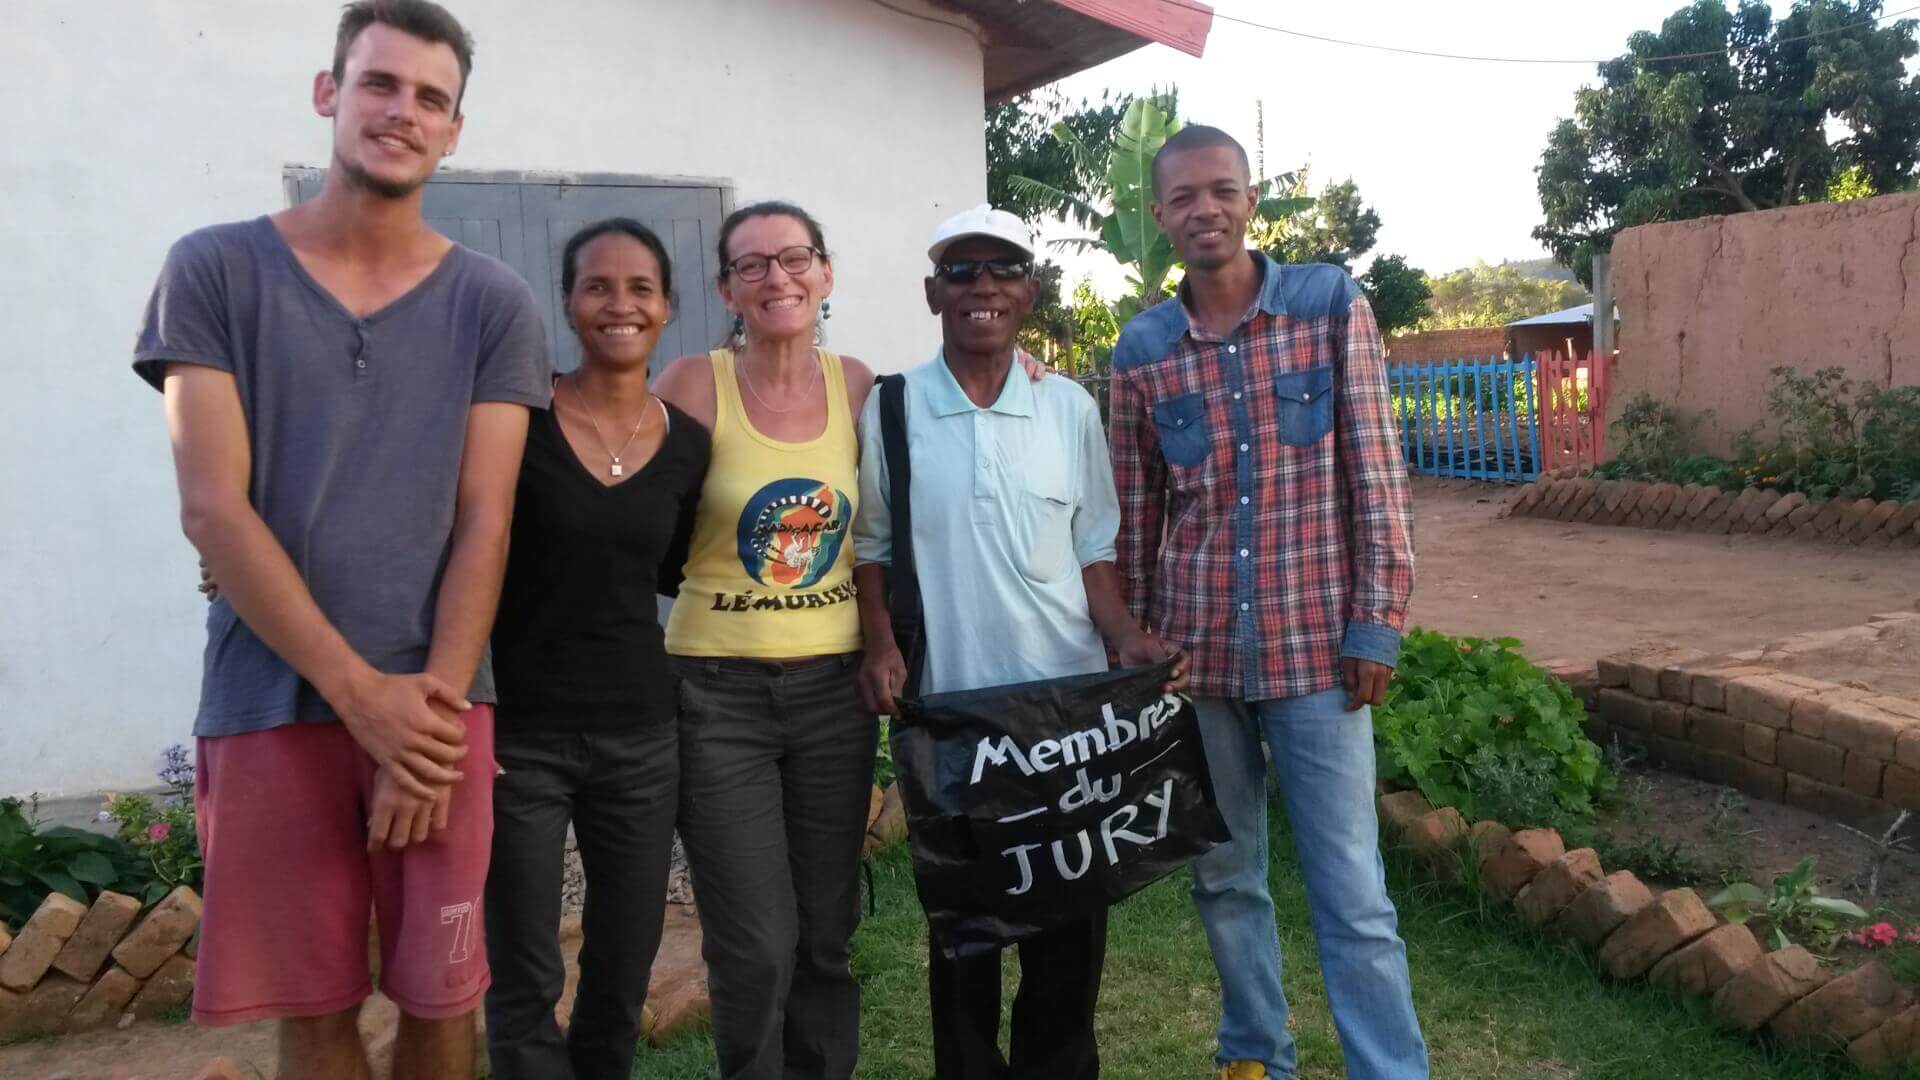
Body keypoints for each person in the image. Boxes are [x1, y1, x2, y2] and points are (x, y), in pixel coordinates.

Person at [133, 3, 550, 1077]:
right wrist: (367, 701)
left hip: (442, 710)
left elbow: (486, 519)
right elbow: (212, 509)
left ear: (455, 130)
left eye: (430, 98)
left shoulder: (493, 304)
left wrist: (428, 720)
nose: (400, 112)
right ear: (329, 93)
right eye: (379, 84)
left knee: (441, 1002)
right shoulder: (213, 271)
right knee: (312, 1009)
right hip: (270, 703)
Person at [1107, 125, 1428, 1080]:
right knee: (1224, 877)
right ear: (1160, 217)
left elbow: (1376, 476)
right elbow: (1134, 513)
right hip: (1196, 662)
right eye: (1182, 198)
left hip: (1317, 656)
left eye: (1221, 190)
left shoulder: (1328, 306)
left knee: (1352, 891)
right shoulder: (1143, 348)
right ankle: (1256, 1055)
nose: (1203, 209)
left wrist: (1379, 621)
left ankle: (1388, 1069)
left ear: (1251, 201)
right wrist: (1137, 639)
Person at [851, 205, 1189, 1080]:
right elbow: (873, 548)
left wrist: (1125, 638)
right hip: (952, 715)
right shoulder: (891, 410)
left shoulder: (1068, 406)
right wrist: (878, 643)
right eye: (961, 271)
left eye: (1002, 269)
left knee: (1067, 932)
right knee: (964, 935)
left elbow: (1094, 549)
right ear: (933, 293)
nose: (982, 286)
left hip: (1066, 715)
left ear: (1029, 292)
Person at [649, 202, 878, 1080]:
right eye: (753, 266)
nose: (776, 278)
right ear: (726, 290)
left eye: (794, 259)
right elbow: (610, 487)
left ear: (825, 273)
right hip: (715, 697)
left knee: (824, 932)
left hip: (835, 693)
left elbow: (890, 528)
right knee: (752, 944)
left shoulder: (859, 387)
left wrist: (1031, 370)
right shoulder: (690, 385)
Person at [483, 219, 709, 1079]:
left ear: (667, 308)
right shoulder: (514, 424)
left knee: (621, 959)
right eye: (599, 287)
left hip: (642, 738)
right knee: (526, 968)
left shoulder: (688, 445)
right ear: (569, 303)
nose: (620, 304)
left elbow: (691, 567)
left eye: (640, 288)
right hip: (522, 737)